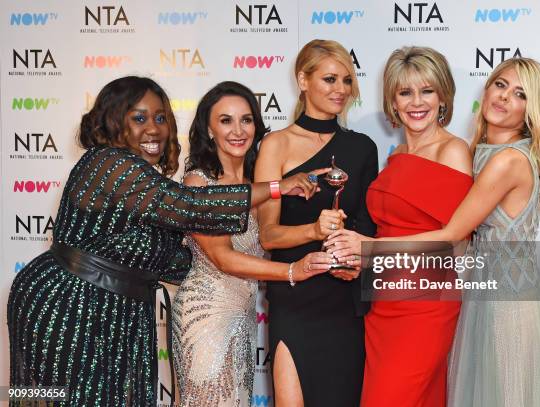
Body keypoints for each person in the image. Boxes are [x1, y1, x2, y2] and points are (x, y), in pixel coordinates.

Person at [7, 76, 321, 407]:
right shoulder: (108, 163)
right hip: (69, 301)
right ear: (114, 120)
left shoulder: (143, 177)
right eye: (139, 118)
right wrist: (277, 188)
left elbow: (174, 259)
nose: (154, 129)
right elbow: (192, 205)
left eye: (161, 118)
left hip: (119, 306)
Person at [328, 57, 540, 406]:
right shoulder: (475, 155)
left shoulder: (502, 159)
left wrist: (368, 248)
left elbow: (452, 238)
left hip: (502, 302)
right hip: (442, 297)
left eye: (520, 94)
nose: (504, 98)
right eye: (500, 85)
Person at [325, 46, 472, 407]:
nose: (416, 102)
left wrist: (370, 249)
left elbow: (455, 245)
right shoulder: (397, 156)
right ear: (393, 100)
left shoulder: (453, 152)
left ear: (443, 96)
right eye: (405, 92)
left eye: (427, 90)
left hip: (425, 305)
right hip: (383, 305)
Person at [172, 81, 333, 407]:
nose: (238, 130)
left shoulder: (258, 185)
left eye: (246, 119)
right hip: (205, 315)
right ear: (208, 127)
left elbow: (274, 234)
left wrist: (311, 185)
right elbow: (223, 258)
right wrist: (292, 270)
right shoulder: (199, 181)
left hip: (243, 318)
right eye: (226, 120)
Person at [254, 39, 379, 406]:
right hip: (295, 298)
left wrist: (355, 264)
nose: (340, 90)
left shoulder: (363, 148)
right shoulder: (275, 144)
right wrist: (313, 230)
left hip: (343, 299)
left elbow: (369, 226)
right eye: (329, 79)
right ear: (303, 80)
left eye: (346, 80)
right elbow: (268, 235)